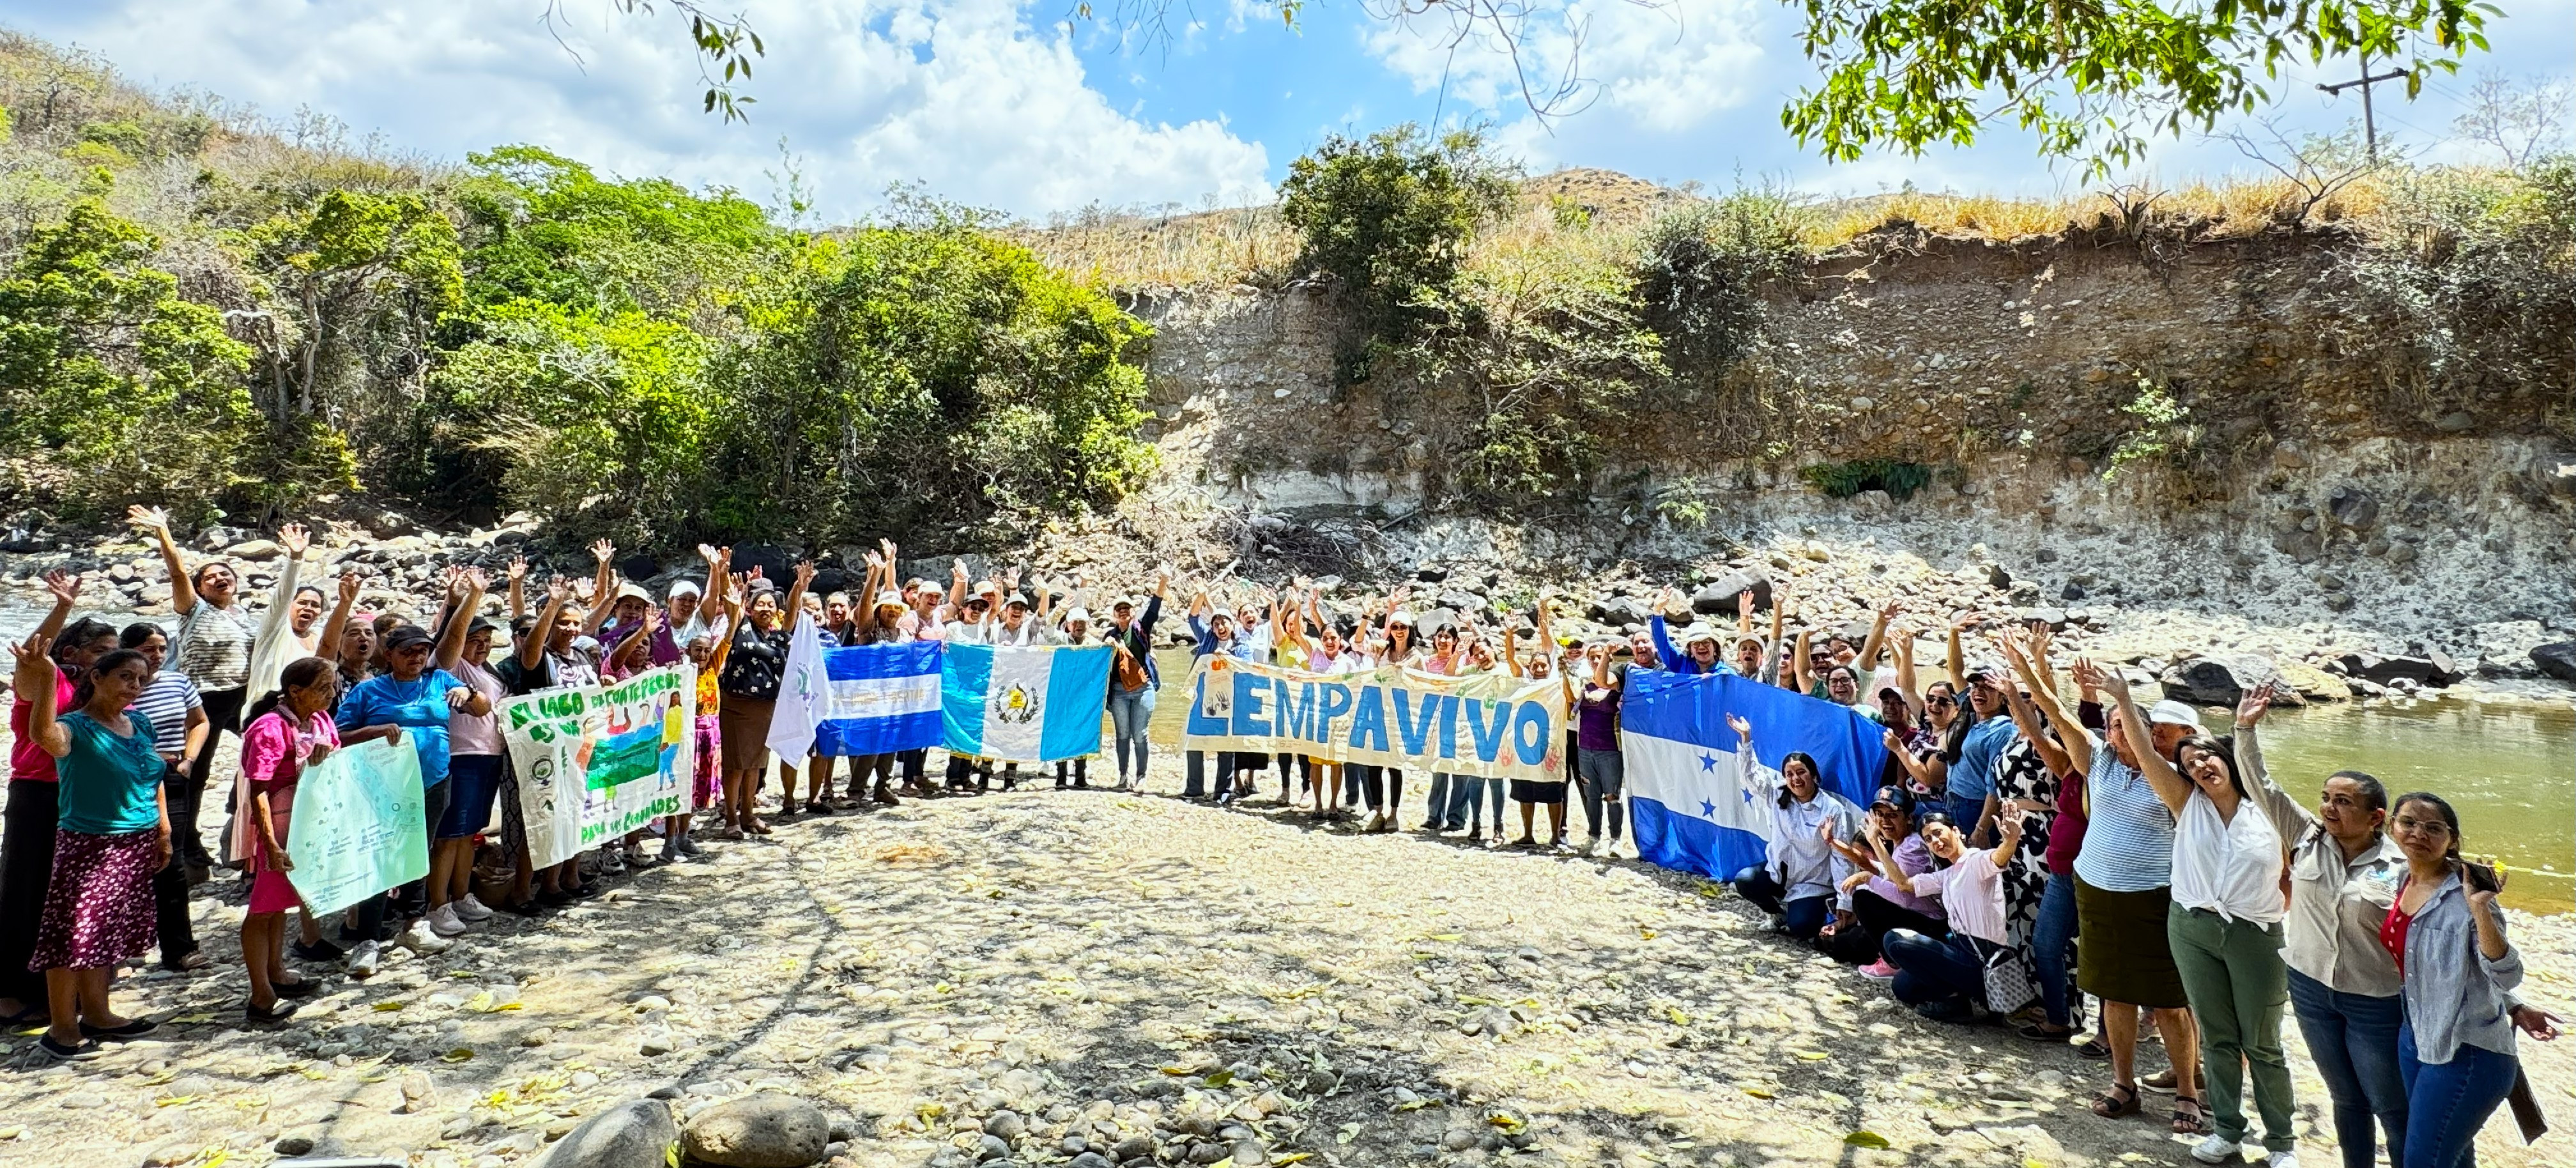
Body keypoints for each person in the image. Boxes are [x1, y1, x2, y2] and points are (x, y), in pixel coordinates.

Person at [2096, 665, 2296, 1167]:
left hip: (2255, 934)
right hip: (2193, 929)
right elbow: (2145, 753)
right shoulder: (2186, 804)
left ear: (2227, 759)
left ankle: (2281, 1143)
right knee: (2219, 1037)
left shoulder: (2268, 810)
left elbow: (2295, 871)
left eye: (2207, 755)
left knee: (2263, 1043)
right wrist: (2123, 698)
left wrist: (2245, 727)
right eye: (2189, 762)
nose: (2200, 764)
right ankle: (2227, 1129)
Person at [2233, 683, 2409, 1168]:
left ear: (2376, 817)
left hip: (2375, 998)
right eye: (2327, 798)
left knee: (2391, 1104)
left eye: (2344, 801)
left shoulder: (2403, 865)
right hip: (2311, 989)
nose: (2330, 807)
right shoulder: (2306, 836)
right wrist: (2244, 729)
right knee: (2346, 1099)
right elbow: (2261, 786)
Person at [2049, 658, 2206, 1134]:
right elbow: (2059, 718)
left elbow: (2144, 752)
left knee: (2168, 1003)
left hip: (2151, 898)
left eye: (2131, 726)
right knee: (2114, 996)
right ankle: (2124, 1085)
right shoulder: (2101, 762)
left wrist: (2121, 697)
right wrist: (2028, 675)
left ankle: (2187, 1091)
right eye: (2114, 726)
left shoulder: (2178, 779)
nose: (2120, 734)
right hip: (2097, 892)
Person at [130, 508, 312, 882]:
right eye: (210, 576)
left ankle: (244, 832)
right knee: (194, 773)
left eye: (225, 574)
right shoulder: (193, 610)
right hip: (204, 699)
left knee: (270, 757)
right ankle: (187, 850)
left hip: (245, 698)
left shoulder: (244, 615)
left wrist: (295, 559)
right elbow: (178, 573)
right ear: (200, 588)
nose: (219, 577)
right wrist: (164, 533)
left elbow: (281, 604)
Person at [13, 635, 172, 1061]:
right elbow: (44, 735)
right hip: (88, 845)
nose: (134, 686)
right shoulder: (78, 727)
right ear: (96, 678)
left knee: (105, 933)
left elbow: (151, 776)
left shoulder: (140, 724)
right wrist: (47, 678)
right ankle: (62, 1028)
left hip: (135, 842)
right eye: (125, 677)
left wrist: (163, 831)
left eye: (140, 680)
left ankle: (99, 1014)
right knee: (70, 936)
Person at [2384, 793, 2528, 1168]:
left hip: (2467, 1049)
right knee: (2453, 1154)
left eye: (2434, 828)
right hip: (2415, 1034)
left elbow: (2507, 974)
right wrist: (2516, 1007)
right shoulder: (2402, 878)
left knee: (2423, 1160)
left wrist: (2480, 908)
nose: (2419, 833)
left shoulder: (2470, 894)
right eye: (2409, 823)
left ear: (2452, 841)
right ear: (2391, 827)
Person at [335, 620, 483, 974]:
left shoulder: (439, 680)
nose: (417, 657)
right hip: (383, 786)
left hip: (434, 781)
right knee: (380, 854)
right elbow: (337, 733)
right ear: (389, 655)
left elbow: (483, 709)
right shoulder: (369, 691)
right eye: (408, 651)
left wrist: (470, 694)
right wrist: (373, 731)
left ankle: (414, 924)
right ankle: (368, 939)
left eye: (423, 651)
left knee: (420, 850)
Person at [0, 574, 98, 1027]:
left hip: (81, 797)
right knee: (24, 891)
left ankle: (63, 989)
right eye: (99, 651)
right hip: (37, 794)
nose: (107, 658)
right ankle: (11, 991)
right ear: (73, 653)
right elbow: (29, 658)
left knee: (67, 894)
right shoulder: (48, 678)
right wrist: (61, 610)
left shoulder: (102, 691)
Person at [234, 657, 338, 1026]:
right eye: (322, 688)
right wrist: (271, 845)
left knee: (280, 905)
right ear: (296, 691)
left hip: (307, 824)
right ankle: (260, 995)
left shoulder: (320, 721)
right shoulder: (270, 728)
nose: (331, 694)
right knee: (262, 909)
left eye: (332, 686)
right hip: (278, 827)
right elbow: (259, 791)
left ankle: (276, 971)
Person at [1867, 804, 2027, 1021]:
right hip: (1960, 949)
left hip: (1982, 960)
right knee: (1903, 986)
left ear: (1956, 831)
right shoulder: (1948, 874)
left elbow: (1998, 858)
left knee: (1894, 940)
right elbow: (1904, 884)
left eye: (1938, 833)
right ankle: (1960, 994)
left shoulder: (1975, 861)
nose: (1935, 841)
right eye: (1928, 839)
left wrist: (2010, 841)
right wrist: (1875, 842)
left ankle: (1955, 1001)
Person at [1724, 713, 1864, 941]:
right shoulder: (1778, 794)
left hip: (1813, 882)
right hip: (1779, 873)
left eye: (1801, 772)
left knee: (1801, 928)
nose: (1796, 779)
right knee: (1745, 880)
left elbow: (1841, 859)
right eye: (1790, 774)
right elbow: (1750, 777)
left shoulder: (1833, 810)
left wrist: (1844, 901)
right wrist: (1746, 739)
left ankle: (1813, 910)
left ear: (1814, 776)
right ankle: (1777, 913)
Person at [118, 623, 208, 973]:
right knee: (125, 860)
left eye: (161, 649)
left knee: (172, 859)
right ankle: (123, 946)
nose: (156, 656)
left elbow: (199, 721)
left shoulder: (178, 682)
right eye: (147, 649)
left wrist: (189, 759)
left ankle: (179, 948)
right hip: (128, 779)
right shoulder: (118, 688)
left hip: (171, 775)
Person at [432, 576, 508, 934]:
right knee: (450, 835)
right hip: (461, 756)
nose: (482, 647)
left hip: (489, 756)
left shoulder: (489, 673)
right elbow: (451, 638)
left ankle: (462, 895)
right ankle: (438, 905)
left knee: (470, 832)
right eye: (475, 640)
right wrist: (473, 596)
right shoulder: (450, 666)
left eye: (487, 642)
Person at [717, 562, 815, 836]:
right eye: (760, 604)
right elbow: (731, 604)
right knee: (736, 765)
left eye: (771, 605)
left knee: (756, 765)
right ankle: (731, 819)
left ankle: (749, 815)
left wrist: (799, 586)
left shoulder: (778, 636)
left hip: (767, 708)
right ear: (750, 608)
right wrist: (721, 573)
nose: (766, 609)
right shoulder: (740, 625)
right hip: (737, 706)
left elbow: (792, 613)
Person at [1826, 786, 1947, 974]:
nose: (1884, 821)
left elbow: (1905, 895)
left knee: (1863, 900)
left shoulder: (1913, 846)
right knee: (1840, 944)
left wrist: (1868, 875)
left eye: (1892, 815)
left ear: (1908, 818)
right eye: (1880, 815)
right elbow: (1876, 868)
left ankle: (1893, 963)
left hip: (1929, 925)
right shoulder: (1902, 845)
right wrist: (1833, 842)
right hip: (1912, 919)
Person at [1102, 569, 1168, 793]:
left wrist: (1163, 580)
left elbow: (1155, 607)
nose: (1123, 611)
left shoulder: (1142, 628)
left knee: (1140, 734)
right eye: (1119, 609)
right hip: (1119, 691)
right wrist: (1108, 646)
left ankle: (1141, 777)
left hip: (1143, 687)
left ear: (1132, 612)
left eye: (1127, 608)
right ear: (1115, 615)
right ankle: (1123, 776)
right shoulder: (1110, 636)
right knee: (1122, 735)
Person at [1572, 640, 1627, 857]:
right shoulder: (1584, 686)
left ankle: (1615, 839)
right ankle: (1593, 836)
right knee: (1591, 795)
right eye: (1592, 657)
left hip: (1610, 750)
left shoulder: (1615, 684)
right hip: (1585, 748)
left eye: (1600, 657)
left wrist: (1607, 653)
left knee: (1612, 796)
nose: (1596, 660)